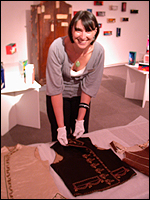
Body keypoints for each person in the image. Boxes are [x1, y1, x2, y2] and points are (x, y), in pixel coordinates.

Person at [46, 10, 104, 146]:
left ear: (95, 31)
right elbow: (55, 89)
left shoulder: (98, 52)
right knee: (60, 140)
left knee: (81, 139)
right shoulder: (57, 48)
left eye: (88, 31)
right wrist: (61, 128)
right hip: (58, 98)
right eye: (78, 30)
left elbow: (89, 87)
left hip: (81, 98)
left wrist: (80, 120)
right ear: (71, 29)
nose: (83, 36)